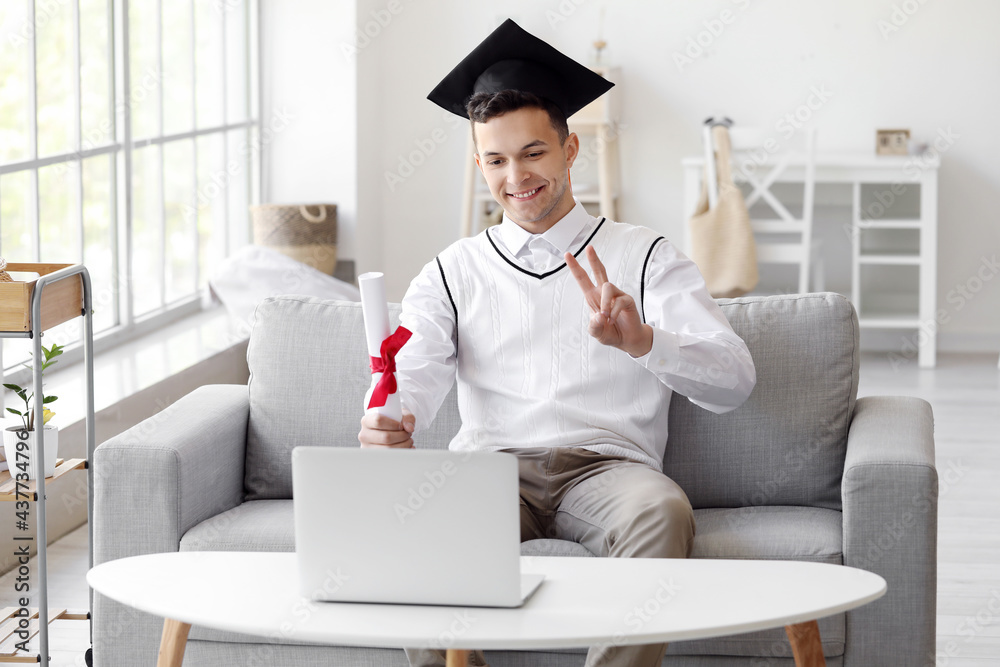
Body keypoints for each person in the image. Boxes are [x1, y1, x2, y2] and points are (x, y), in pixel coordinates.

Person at [358, 19, 756, 667]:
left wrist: (644, 340)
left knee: (662, 510)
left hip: (608, 470)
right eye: (495, 159)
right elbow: (415, 372)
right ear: (480, 162)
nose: (516, 175)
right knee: (412, 525)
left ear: (570, 150)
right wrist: (394, 420)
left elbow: (735, 381)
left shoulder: (646, 255)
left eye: (533, 152)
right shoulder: (452, 270)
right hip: (490, 471)